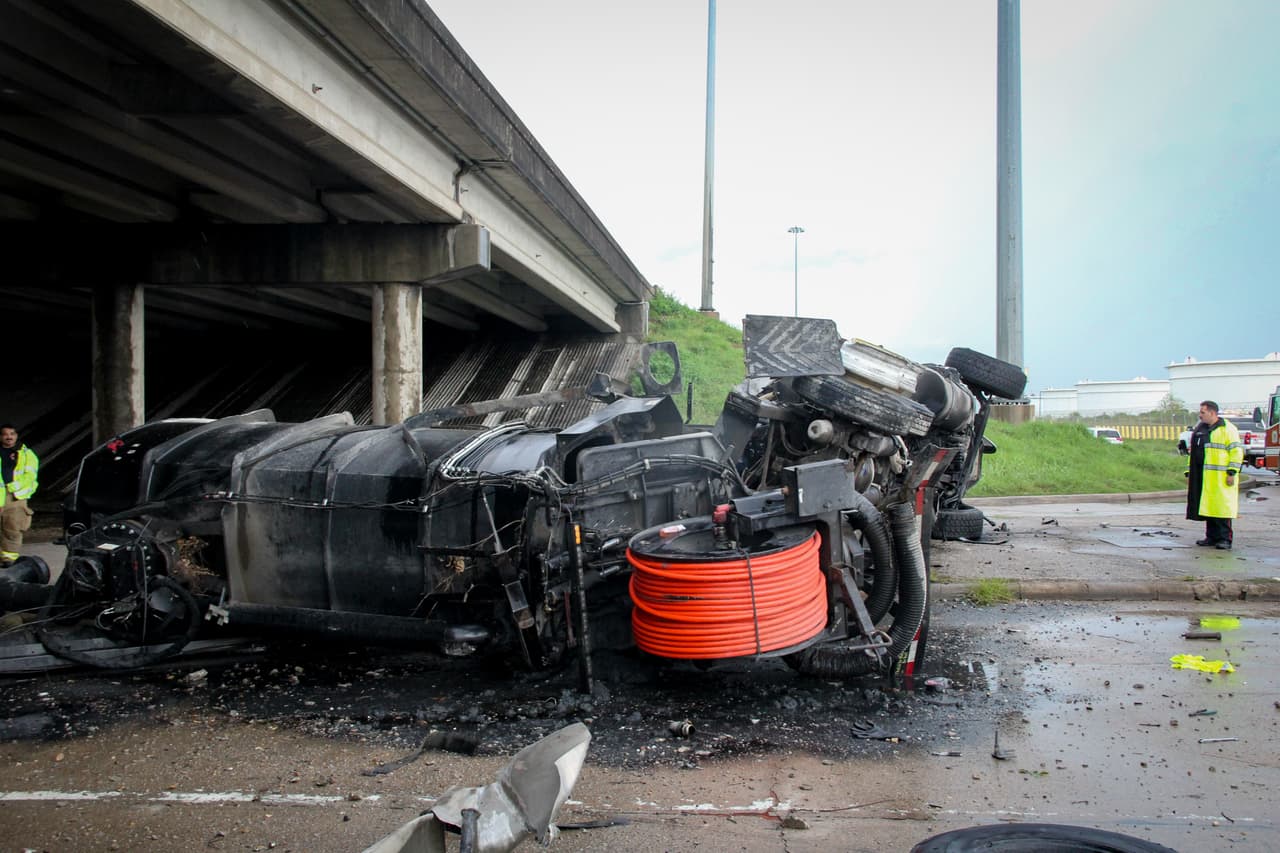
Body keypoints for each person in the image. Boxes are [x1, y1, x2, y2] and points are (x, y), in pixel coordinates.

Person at [1185, 401, 1243, 550]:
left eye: (1203, 412)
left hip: (1221, 477)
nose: (1200, 415)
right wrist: (1189, 472)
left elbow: (1236, 452)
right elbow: (1194, 453)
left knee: (1222, 509)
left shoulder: (1227, 429)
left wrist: (1232, 472)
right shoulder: (1201, 429)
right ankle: (1211, 537)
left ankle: (1225, 539)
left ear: (1212, 413)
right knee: (1209, 508)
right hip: (1205, 477)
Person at [1, 423, 39, 567]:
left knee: (12, 528)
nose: (9, 437)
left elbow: (30, 476)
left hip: (15, 496)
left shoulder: (26, 454)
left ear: (16, 436)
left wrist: (13, 487)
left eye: (12, 434)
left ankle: (9, 561)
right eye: (5, 434)